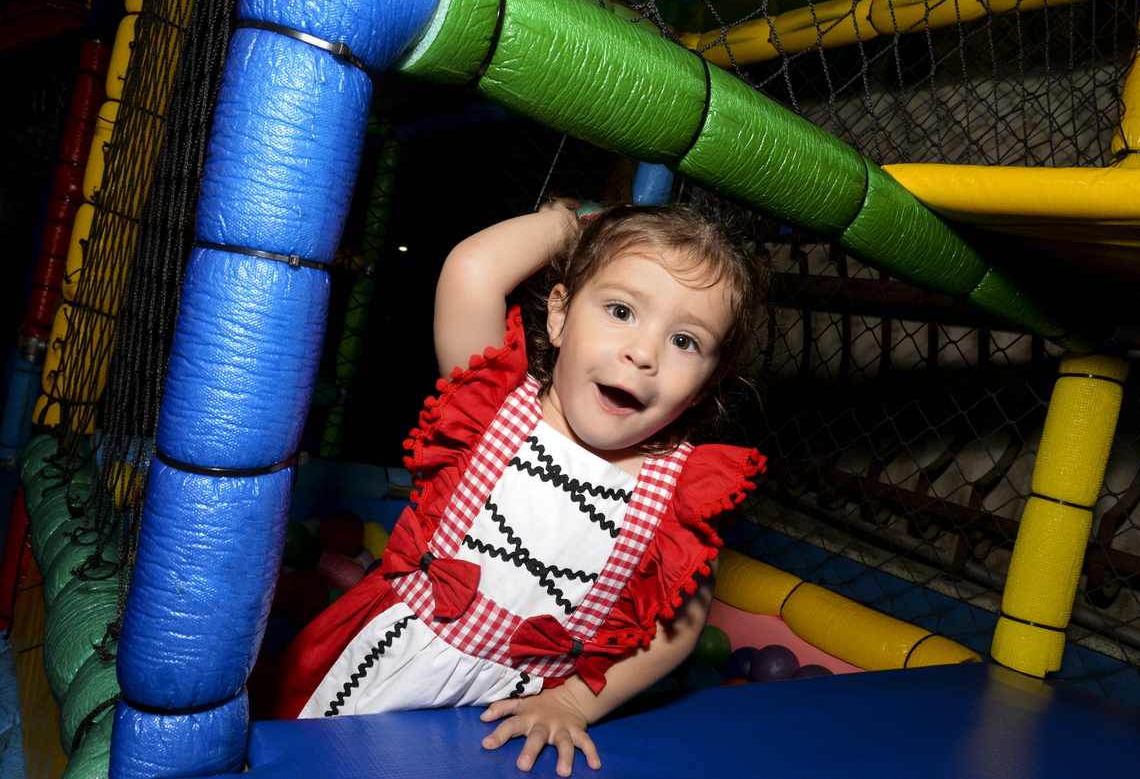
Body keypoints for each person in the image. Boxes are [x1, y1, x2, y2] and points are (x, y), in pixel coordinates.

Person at [271, 200, 769, 776]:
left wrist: (573, 701)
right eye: (621, 310)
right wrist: (566, 222)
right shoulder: (496, 409)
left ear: (706, 385)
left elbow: (675, 632)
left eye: (685, 341)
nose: (643, 353)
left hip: (508, 716)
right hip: (375, 665)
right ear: (559, 316)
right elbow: (472, 271)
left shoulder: (679, 495)